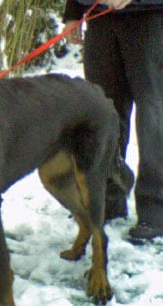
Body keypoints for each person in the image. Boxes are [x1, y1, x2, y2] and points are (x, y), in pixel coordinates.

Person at [62, 0, 163, 242]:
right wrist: (73, 11)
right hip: (100, 19)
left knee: (153, 112)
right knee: (103, 111)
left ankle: (155, 208)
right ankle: (108, 197)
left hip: (151, 17)